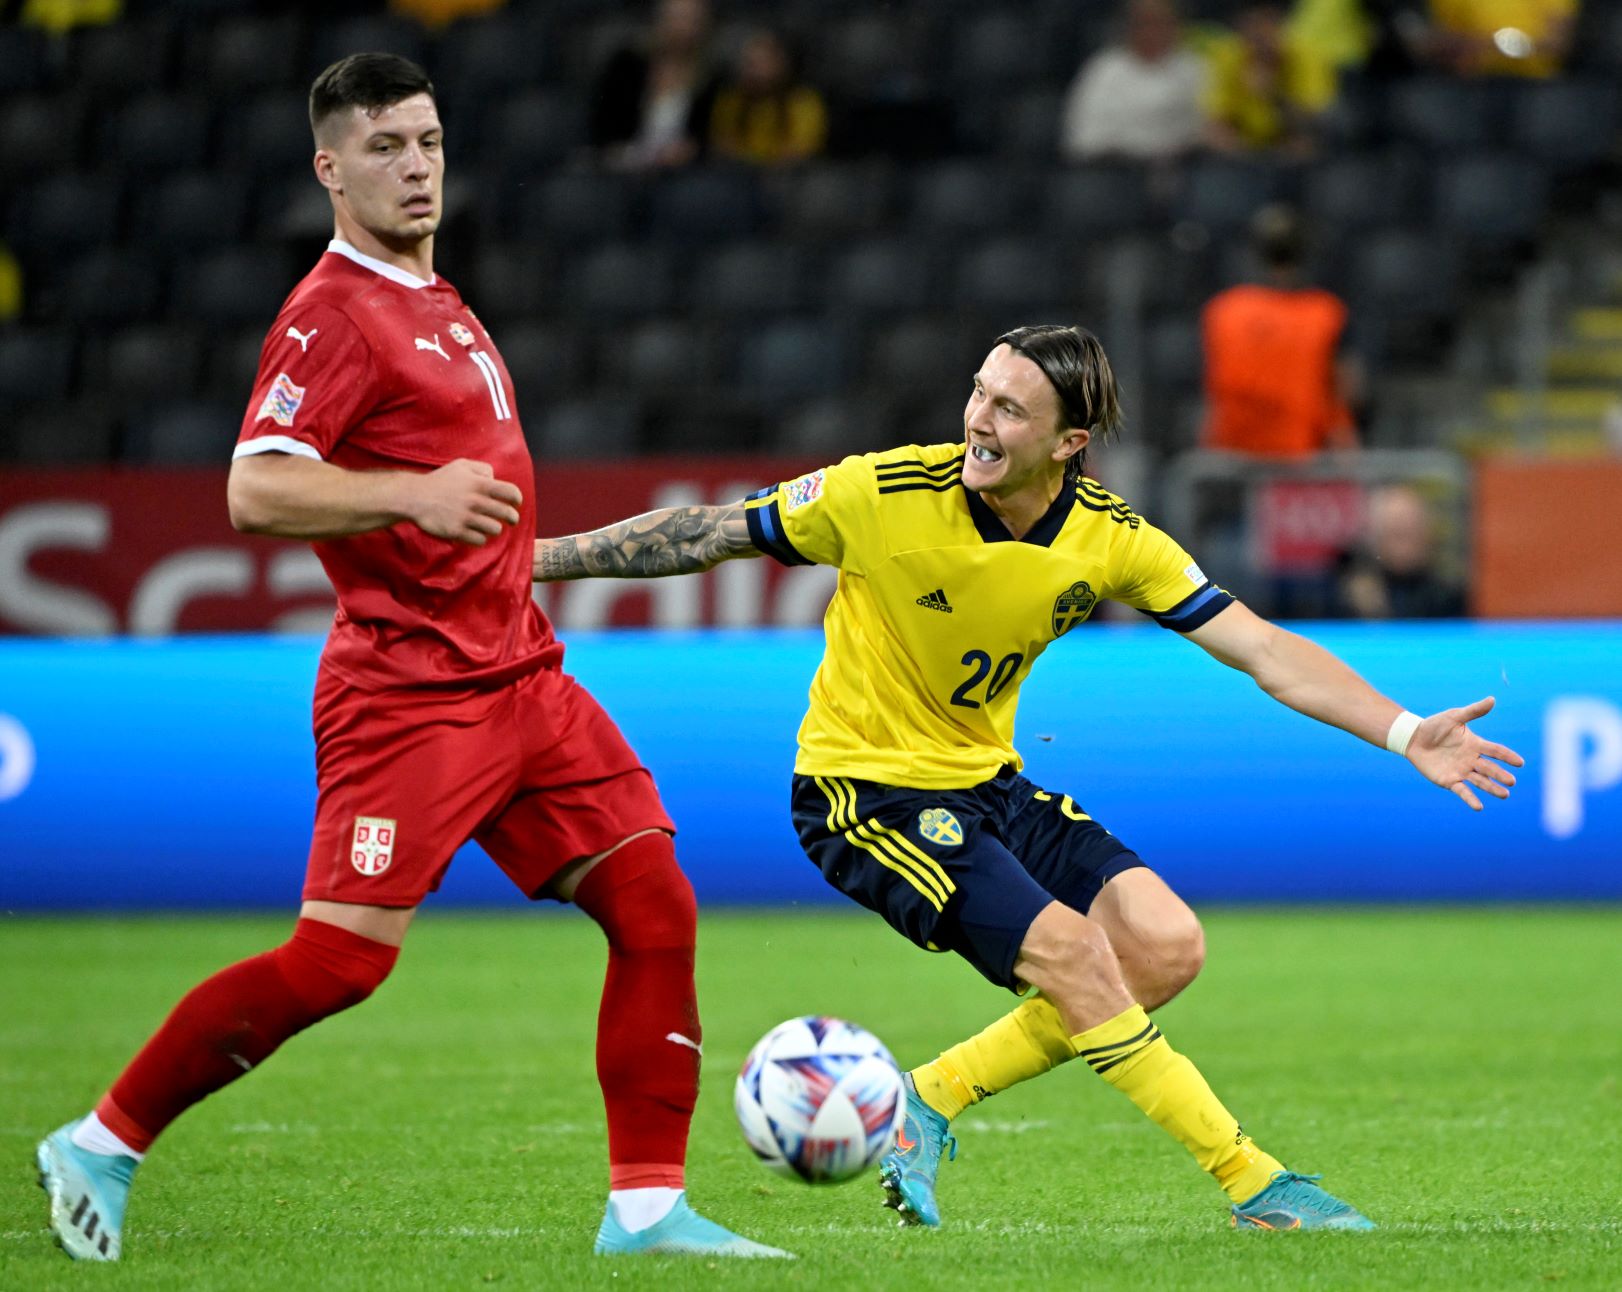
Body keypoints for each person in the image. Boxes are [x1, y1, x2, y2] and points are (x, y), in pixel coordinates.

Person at [33, 53, 785, 1264]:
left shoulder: (437, 298)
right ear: (330, 170)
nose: (416, 166)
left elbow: (471, 513)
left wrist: (517, 554)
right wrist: (410, 493)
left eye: (428, 141)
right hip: (412, 694)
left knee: (653, 899)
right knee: (338, 962)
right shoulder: (329, 315)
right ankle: (100, 1140)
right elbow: (254, 490)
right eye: (384, 147)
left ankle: (646, 1210)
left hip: (522, 676)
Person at [530, 323, 1523, 1232]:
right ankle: (1253, 1182)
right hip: (864, 792)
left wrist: (1403, 731)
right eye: (978, 392)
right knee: (1075, 956)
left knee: (1166, 945)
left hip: (988, 783)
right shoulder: (881, 493)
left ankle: (924, 1099)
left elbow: (1261, 647)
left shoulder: (1108, 537)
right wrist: (527, 562)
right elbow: (706, 533)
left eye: (1008, 408)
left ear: (1068, 441)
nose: (977, 419)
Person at [1202, 204, 1360, 459]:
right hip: (1304, 460)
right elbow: (1347, 388)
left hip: (1233, 459)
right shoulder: (1326, 313)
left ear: (1254, 252)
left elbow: (1212, 394)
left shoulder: (1223, 310)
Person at [1059, 0, 1209, 163]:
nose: (1153, 31)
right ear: (1129, 27)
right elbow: (1082, 137)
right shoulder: (1103, 69)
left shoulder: (1194, 68)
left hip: (1179, 165)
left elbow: (1206, 129)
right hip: (1113, 166)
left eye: (1162, 23)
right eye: (1145, 23)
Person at [588, 0, 722, 172]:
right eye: (677, 18)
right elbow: (601, 124)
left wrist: (690, 151)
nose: (682, 27)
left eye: (692, 20)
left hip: (681, 172)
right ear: (659, 20)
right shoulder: (627, 65)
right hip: (621, 165)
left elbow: (709, 137)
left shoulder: (712, 78)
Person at [1205, 4, 1337, 156]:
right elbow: (1218, 118)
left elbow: (1313, 123)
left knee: (1304, 145)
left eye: (1264, 28)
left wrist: (1273, 96)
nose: (1259, 40)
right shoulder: (1229, 57)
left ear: (1279, 26)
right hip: (1246, 149)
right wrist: (1230, 140)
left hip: (1293, 144)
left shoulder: (1306, 56)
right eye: (1250, 30)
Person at [1333, 482, 1467, 618]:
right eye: (1397, 533)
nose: (1406, 546)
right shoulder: (1347, 593)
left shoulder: (1450, 597)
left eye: (1414, 530)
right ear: (1376, 537)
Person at [709, 27, 828, 167]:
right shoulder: (731, 99)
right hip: (736, 172)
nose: (753, 71)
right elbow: (722, 145)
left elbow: (801, 153)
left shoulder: (803, 103)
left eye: (761, 63)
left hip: (788, 175)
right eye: (749, 63)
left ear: (782, 64)